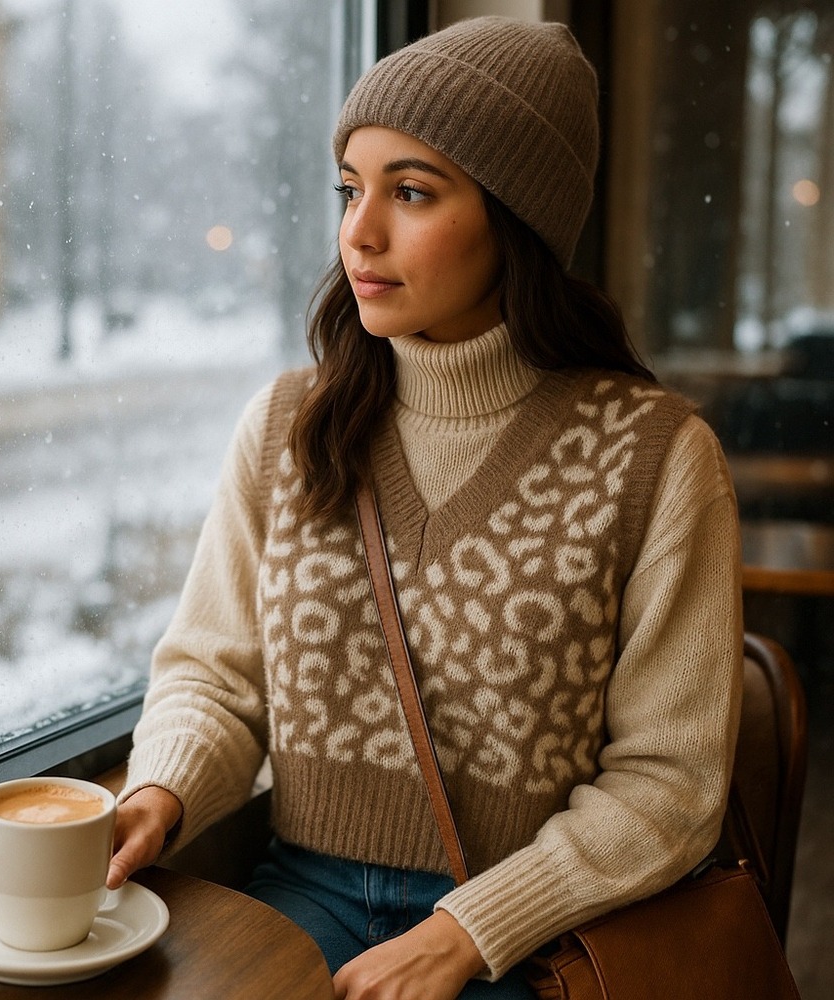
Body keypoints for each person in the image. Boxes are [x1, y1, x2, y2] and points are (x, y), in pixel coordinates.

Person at [106, 15, 743, 1000]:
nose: (359, 232)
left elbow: (670, 787)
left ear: (514, 218)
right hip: (297, 890)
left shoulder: (653, 459)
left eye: (410, 192)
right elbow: (215, 672)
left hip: (530, 930)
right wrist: (161, 789)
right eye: (350, 190)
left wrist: (467, 932)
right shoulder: (288, 427)